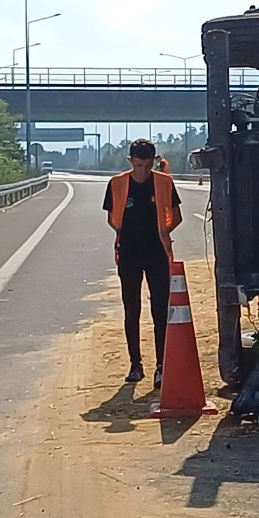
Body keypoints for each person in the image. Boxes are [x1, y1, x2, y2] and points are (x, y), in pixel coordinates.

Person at [103, 139, 184, 388]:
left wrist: (161, 232)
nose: (143, 171)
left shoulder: (164, 182)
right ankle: (135, 365)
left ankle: (162, 366)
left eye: (148, 165)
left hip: (157, 254)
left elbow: (176, 216)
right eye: (139, 165)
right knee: (132, 310)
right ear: (130, 161)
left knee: (160, 311)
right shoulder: (117, 184)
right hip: (128, 255)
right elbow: (112, 218)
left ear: (154, 161)